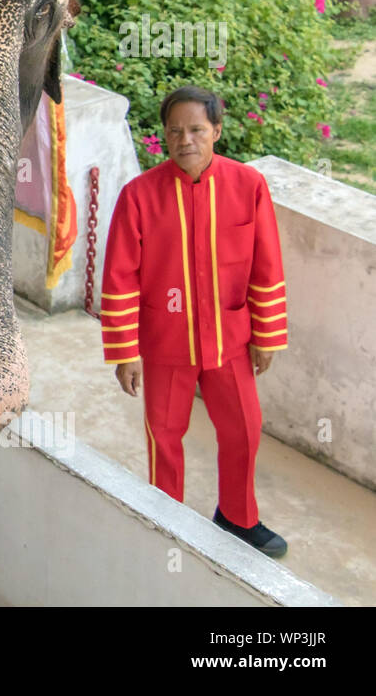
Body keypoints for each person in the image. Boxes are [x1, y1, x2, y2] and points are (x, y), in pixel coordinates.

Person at [100, 85, 288, 557]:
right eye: (175, 131)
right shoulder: (139, 196)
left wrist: (266, 336)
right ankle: (170, 520)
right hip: (166, 342)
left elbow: (267, 265)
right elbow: (120, 277)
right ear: (164, 136)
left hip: (230, 338)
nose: (186, 139)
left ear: (217, 131)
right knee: (164, 436)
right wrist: (125, 354)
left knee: (244, 428)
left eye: (197, 130)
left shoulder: (249, 186)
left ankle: (238, 517)